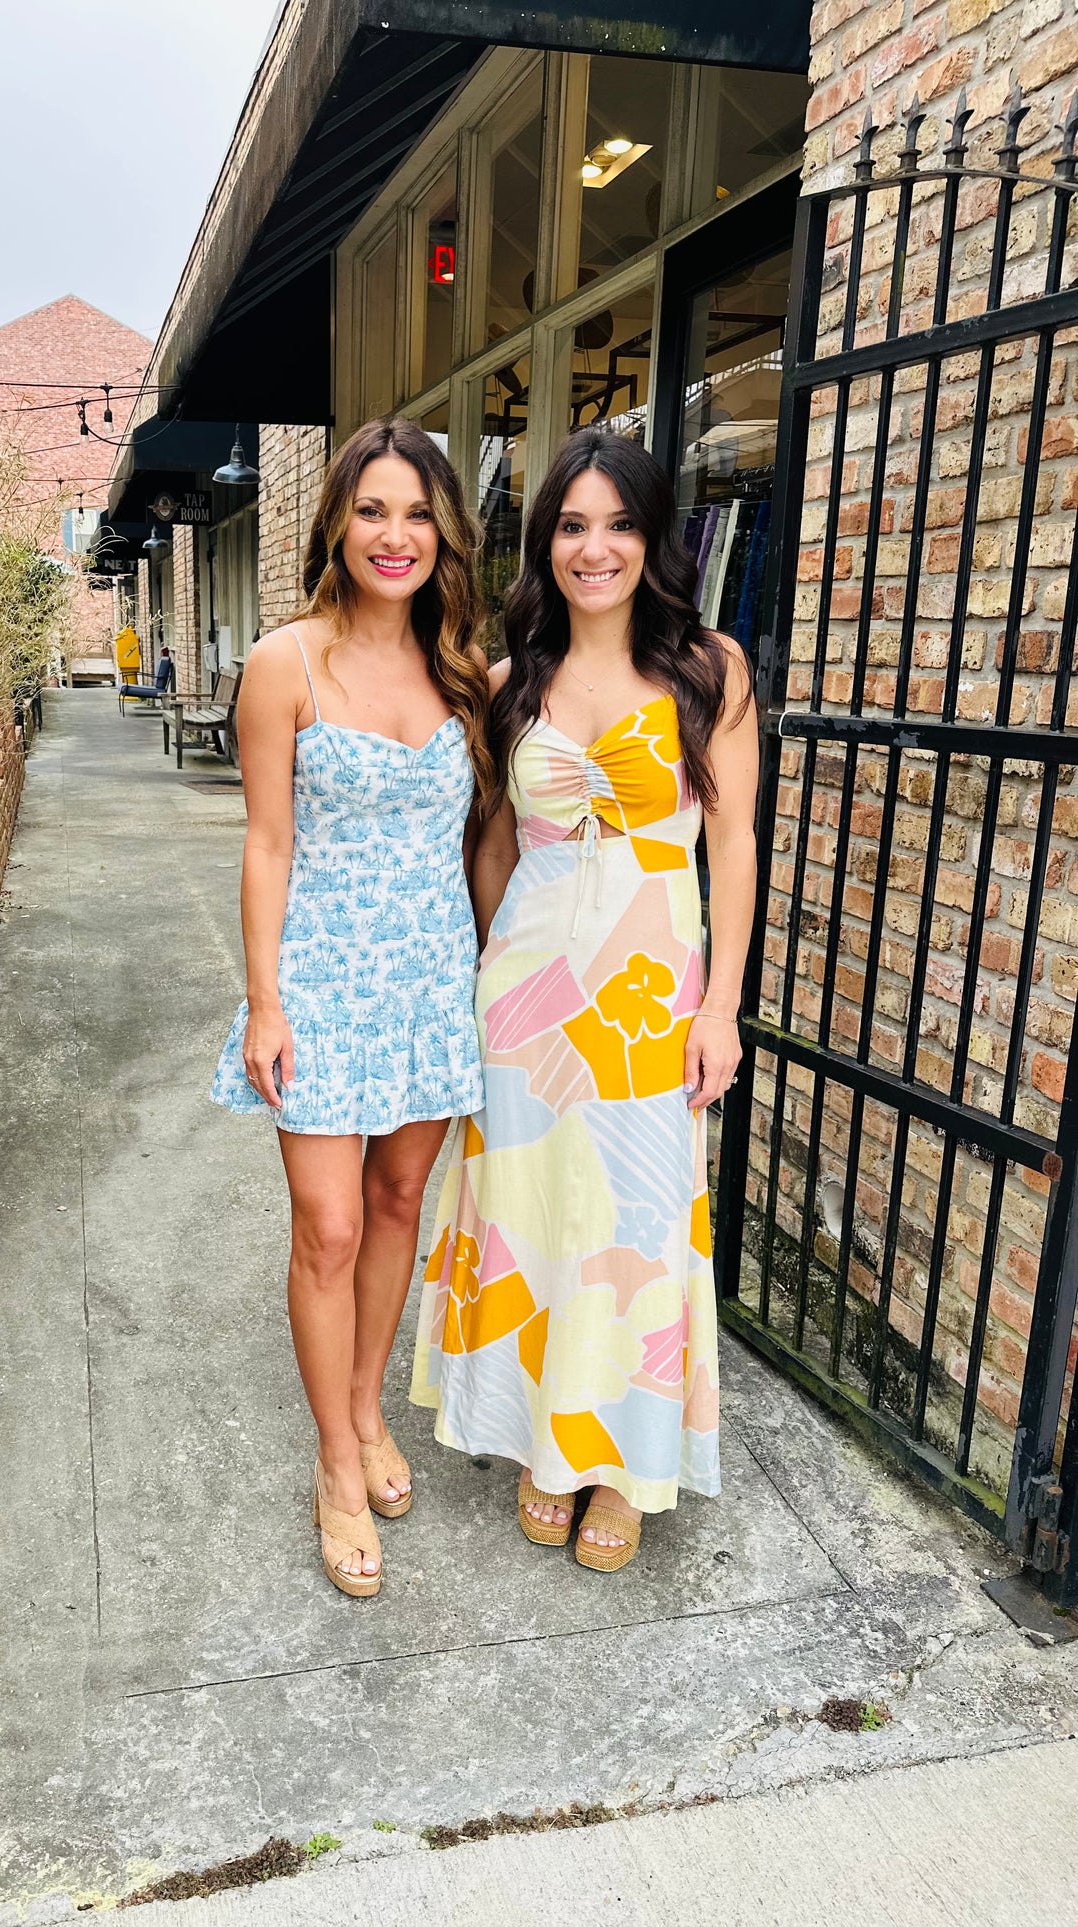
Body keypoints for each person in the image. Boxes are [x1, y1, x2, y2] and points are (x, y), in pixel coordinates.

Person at [411, 428, 757, 1571]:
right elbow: (491, 848)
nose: (592, 548)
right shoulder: (509, 682)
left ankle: (619, 1463)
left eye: (616, 524)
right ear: (543, 542)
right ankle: (540, 1442)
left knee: (636, 1222)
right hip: (525, 996)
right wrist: (484, 981)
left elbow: (733, 846)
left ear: (651, 537)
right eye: (570, 525)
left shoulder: (710, 669)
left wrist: (719, 1009)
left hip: (650, 1001)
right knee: (534, 1212)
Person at [211, 418, 494, 1598]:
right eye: (372, 509)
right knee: (326, 1225)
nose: (394, 534)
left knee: (395, 1204)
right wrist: (263, 1001)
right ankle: (334, 1459)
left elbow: (484, 840)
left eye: (417, 513)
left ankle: (368, 1406)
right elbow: (266, 843)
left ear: (445, 534)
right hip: (321, 983)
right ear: (336, 522)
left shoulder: (465, 672)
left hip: (430, 978)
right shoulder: (284, 662)